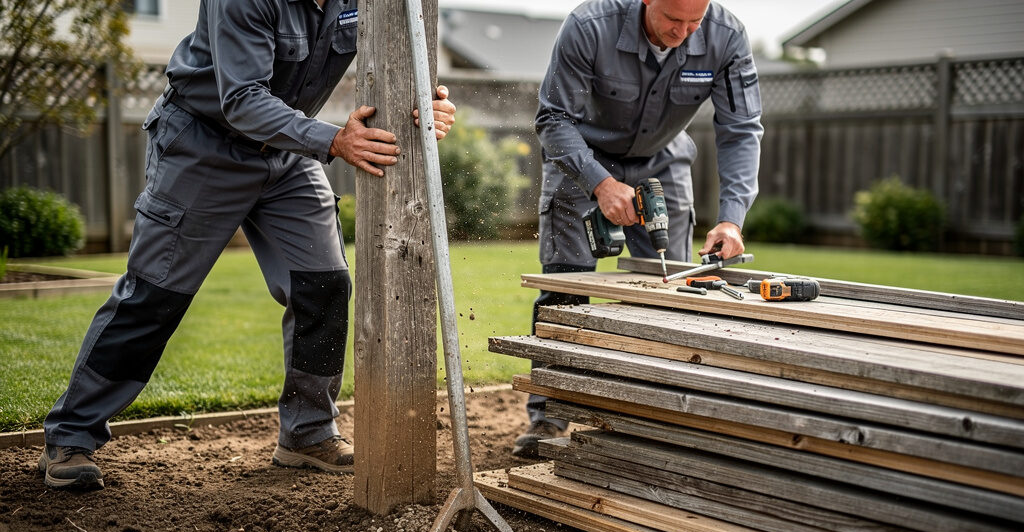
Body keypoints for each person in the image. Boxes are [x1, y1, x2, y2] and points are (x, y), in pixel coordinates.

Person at [38, 0, 456, 489]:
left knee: (323, 284)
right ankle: (71, 435)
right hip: (203, 143)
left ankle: (308, 432)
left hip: (286, 153)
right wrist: (332, 140)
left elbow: (403, 52)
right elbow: (241, 99)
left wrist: (425, 102)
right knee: (154, 296)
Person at [513, 0, 762, 457]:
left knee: (668, 294)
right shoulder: (590, 26)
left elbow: (741, 129)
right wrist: (600, 184)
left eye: (695, 21)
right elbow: (553, 119)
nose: (683, 32)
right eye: (673, 19)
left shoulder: (726, 37)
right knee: (565, 290)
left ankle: (649, 419)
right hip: (581, 160)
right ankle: (550, 416)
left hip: (663, 161)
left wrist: (732, 218)